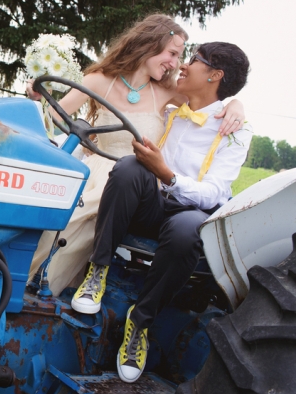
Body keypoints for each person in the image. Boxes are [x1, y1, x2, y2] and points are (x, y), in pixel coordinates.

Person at [26, 15, 245, 296]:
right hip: (94, 168)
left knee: (93, 205)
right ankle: (23, 274)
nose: (176, 64)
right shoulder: (98, 80)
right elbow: (55, 115)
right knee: (58, 203)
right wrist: (39, 97)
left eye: (180, 57)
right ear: (149, 44)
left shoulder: (167, 91)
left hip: (135, 180)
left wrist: (236, 104)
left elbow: (209, 103)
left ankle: (46, 286)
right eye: (173, 53)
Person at [71, 41, 251, 383]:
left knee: (188, 227)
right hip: (152, 204)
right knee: (127, 167)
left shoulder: (236, 129)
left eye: (193, 60)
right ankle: (98, 270)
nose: (183, 65)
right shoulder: (173, 107)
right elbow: (129, 81)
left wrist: (166, 174)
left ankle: (140, 322)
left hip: (190, 213)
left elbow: (214, 193)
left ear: (214, 75)